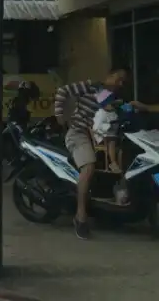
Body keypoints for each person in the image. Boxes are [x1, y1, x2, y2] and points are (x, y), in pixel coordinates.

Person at [54, 67, 129, 240]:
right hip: (79, 134)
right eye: (118, 78)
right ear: (109, 75)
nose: (120, 83)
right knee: (89, 167)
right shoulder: (92, 86)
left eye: (123, 82)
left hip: (100, 140)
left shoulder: (113, 98)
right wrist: (59, 116)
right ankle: (80, 217)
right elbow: (62, 91)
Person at [92, 89, 123, 173]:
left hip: (112, 134)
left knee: (119, 140)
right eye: (111, 104)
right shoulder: (100, 113)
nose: (113, 105)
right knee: (112, 141)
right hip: (101, 136)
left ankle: (121, 164)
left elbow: (116, 120)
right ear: (104, 104)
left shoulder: (113, 112)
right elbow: (95, 127)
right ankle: (113, 163)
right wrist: (107, 127)